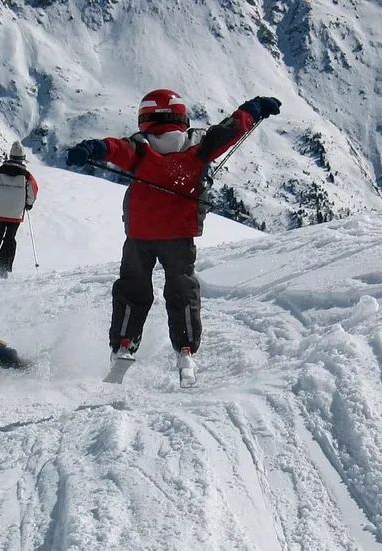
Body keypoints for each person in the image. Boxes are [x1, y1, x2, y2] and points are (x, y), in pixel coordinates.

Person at [64, 89, 281, 383]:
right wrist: (254, 108)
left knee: (132, 289)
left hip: (140, 234)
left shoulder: (139, 148)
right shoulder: (200, 145)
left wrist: (89, 148)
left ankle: (124, 345)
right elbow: (231, 129)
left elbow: (110, 148)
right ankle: (186, 350)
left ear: (144, 118)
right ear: (182, 116)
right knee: (182, 290)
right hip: (179, 235)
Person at [0, 141, 39, 280]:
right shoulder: (27, 176)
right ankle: (2, 272)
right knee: (9, 240)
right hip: (15, 214)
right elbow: (33, 193)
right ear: (22, 158)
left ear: (10, 156)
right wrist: (28, 204)